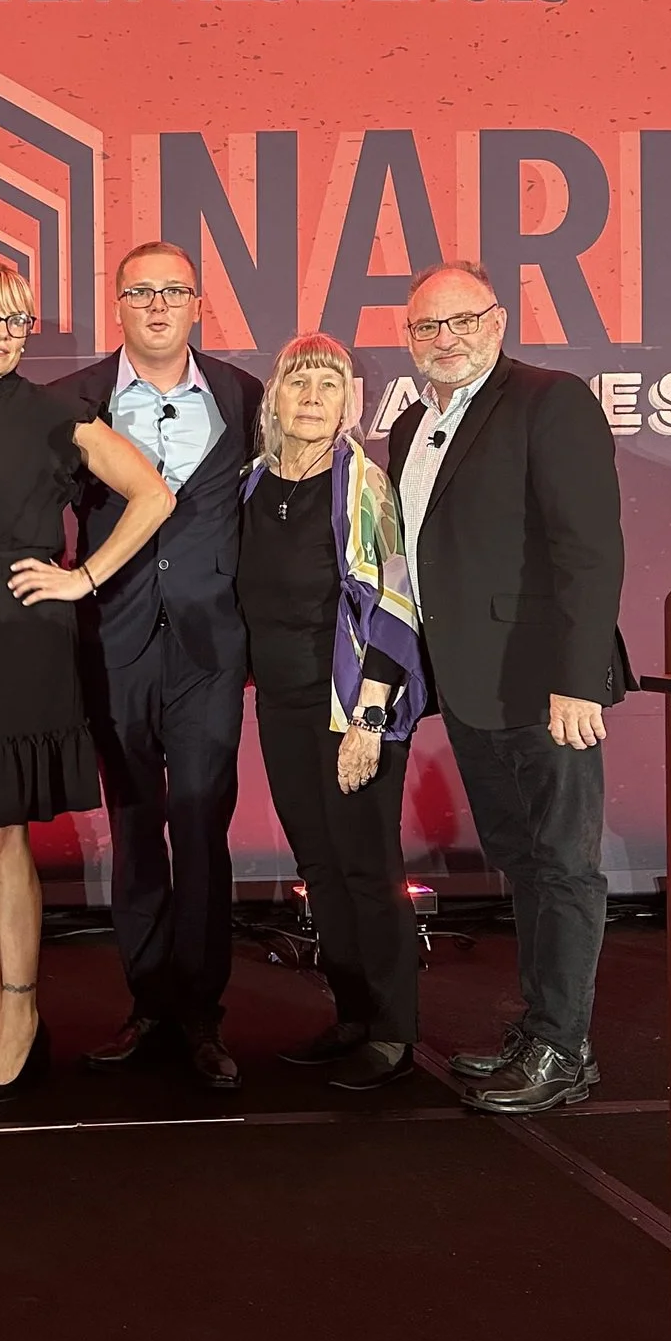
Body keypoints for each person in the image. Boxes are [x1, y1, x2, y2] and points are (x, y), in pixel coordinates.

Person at [0, 263, 174, 1103]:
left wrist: (82, 576)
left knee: (2, 831)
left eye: (17, 320)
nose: (2, 330)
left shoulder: (59, 414)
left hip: (23, 632)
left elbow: (152, 495)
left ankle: (20, 1014)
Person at [386, 261, 633, 1115]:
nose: (444, 339)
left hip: (544, 687)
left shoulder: (548, 399)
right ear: (408, 337)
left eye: (461, 321)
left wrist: (579, 682)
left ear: (497, 322)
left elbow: (589, 548)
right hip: (469, 686)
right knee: (525, 863)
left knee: (565, 866)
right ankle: (541, 1031)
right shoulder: (413, 423)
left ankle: (565, 1049)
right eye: (427, 327)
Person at [55, 244, 264, 1089]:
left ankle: (202, 1015)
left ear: (197, 302)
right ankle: (148, 1003)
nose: (156, 304)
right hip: (116, 642)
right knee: (137, 827)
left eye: (172, 291)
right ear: (119, 304)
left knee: (202, 824)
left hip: (213, 649)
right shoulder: (73, 401)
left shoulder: (245, 396)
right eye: (139, 291)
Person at [237, 335, 430, 1090]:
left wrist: (369, 717)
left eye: (328, 383)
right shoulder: (253, 484)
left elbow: (395, 601)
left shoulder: (363, 485)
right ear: (275, 399)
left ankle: (394, 1031)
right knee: (320, 867)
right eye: (299, 382)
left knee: (366, 867)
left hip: (351, 706)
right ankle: (352, 1014)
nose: (312, 396)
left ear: (349, 400)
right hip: (281, 707)